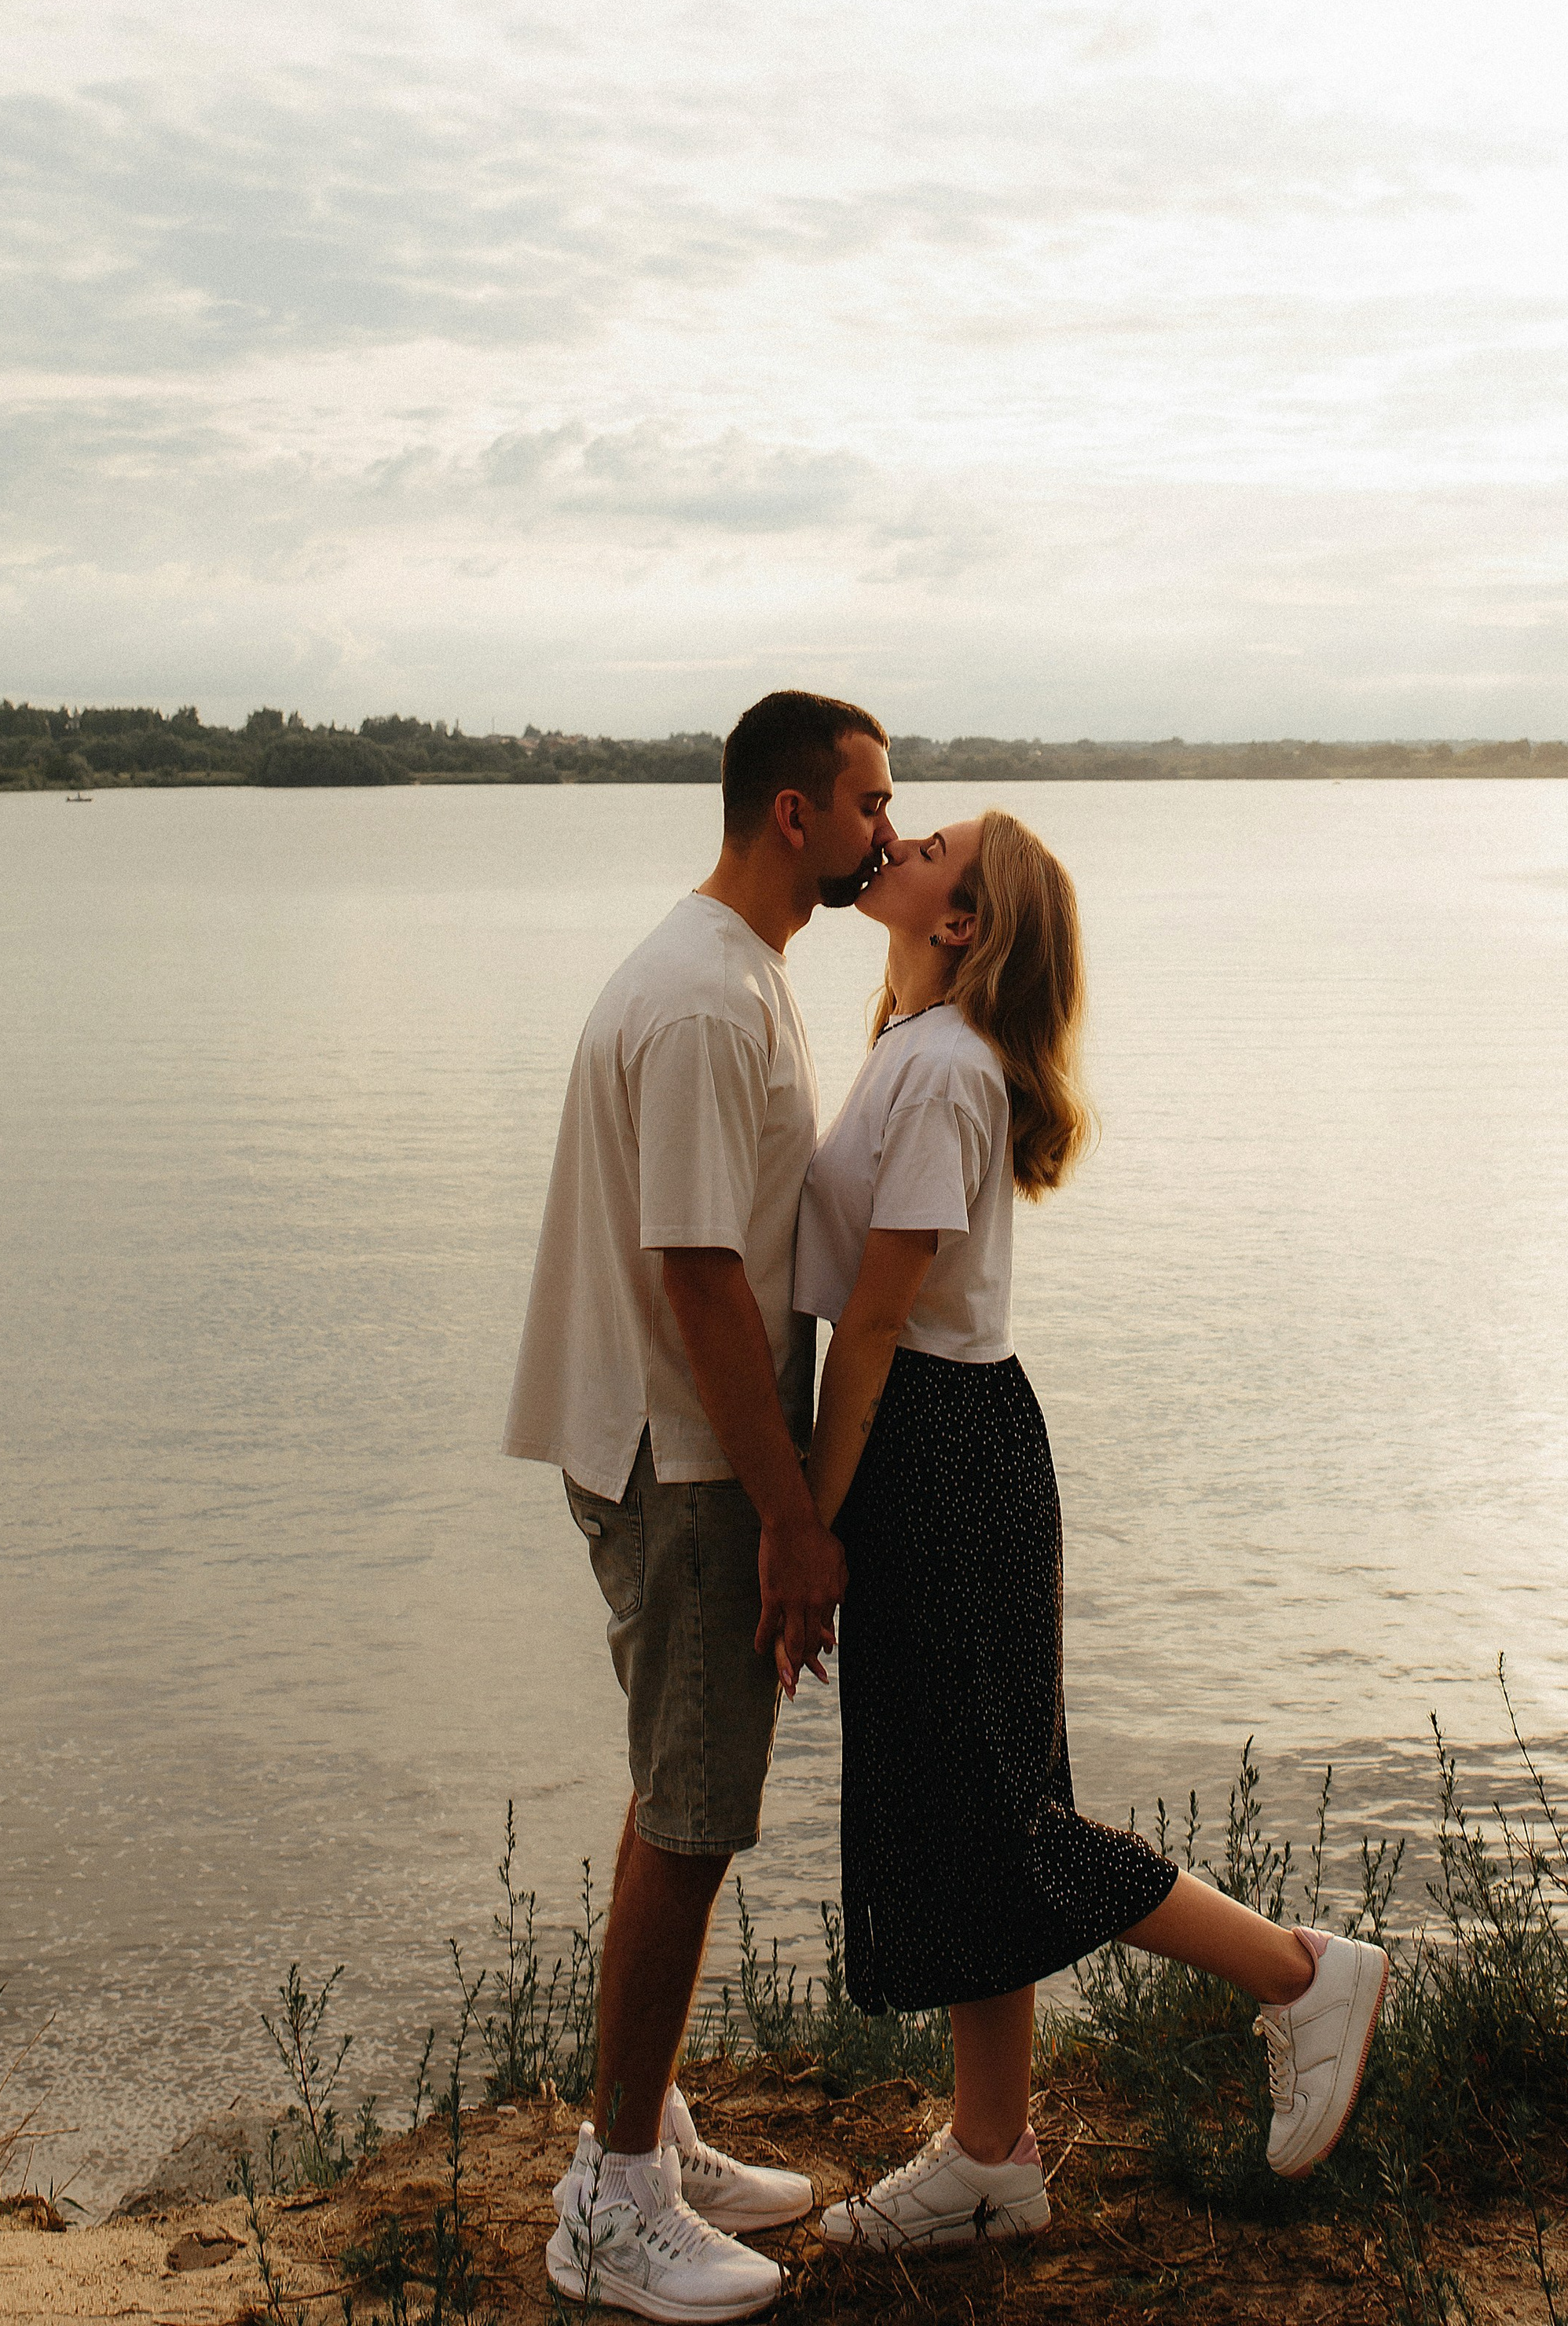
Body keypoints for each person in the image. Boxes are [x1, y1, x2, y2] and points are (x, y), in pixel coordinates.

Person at [789, 810, 1390, 2254]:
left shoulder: (944, 1069)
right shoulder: (918, 1045)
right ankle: (992, 2157)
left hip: (936, 1444)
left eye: (932, 844)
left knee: (1000, 1816)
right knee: (971, 1803)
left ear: (963, 921)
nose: (899, 839)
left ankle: (1299, 1974)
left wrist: (804, 1523)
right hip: (942, 1439)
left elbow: (875, 1320)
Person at [503, 690, 896, 2319]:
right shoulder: (698, 1003)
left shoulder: (732, 974)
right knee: (692, 1812)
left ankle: (644, 2123)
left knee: (677, 1787)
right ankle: (610, 2208)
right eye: (869, 803)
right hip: (685, 1467)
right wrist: (792, 1517)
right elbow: (697, 1275)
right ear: (792, 813)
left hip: (679, 1455)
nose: (886, 831)